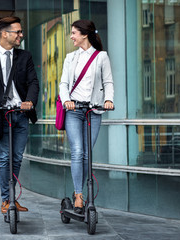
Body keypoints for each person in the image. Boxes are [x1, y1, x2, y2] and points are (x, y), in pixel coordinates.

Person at [0, 16, 39, 214]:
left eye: (21, 31)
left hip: (21, 113)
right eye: (17, 32)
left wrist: (29, 101)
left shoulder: (25, 56)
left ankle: (12, 198)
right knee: (4, 156)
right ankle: (6, 200)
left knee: (18, 157)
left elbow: (33, 83)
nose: (21, 35)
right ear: (5, 34)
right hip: (1, 115)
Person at [59, 19, 114, 214]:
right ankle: (78, 195)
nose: (71, 36)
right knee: (77, 151)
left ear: (84, 34)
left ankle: (80, 193)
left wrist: (108, 100)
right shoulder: (70, 58)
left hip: (94, 111)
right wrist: (66, 100)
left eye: (74, 33)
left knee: (86, 155)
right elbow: (63, 84)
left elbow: (108, 82)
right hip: (74, 111)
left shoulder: (101, 57)